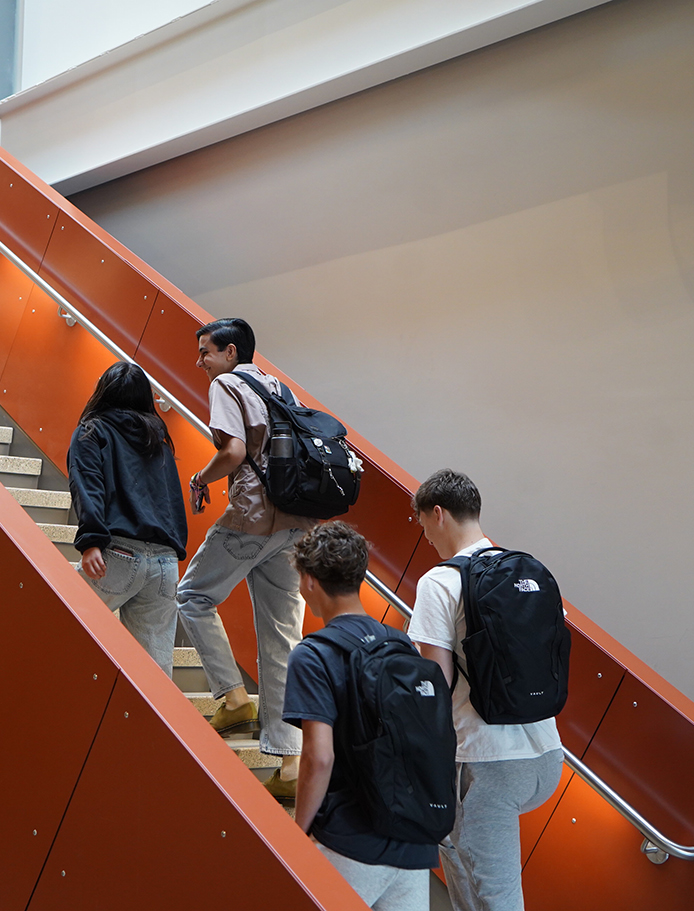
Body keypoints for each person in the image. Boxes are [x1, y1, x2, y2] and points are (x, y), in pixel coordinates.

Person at [406, 469, 563, 911]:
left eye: (424, 527)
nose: (428, 540)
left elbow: (435, 683)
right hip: (546, 754)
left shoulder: (440, 581)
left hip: (485, 762)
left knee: (495, 899)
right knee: (463, 867)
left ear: (438, 514)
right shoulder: (525, 571)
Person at [177, 318, 311, 799]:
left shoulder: (227, 384)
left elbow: (233, 452)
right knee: (282, 639)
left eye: (205, 352)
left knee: (192, 594)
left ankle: (234, 698)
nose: (201, 363)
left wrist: (199, 478)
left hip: (253, 517)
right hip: (295, 523)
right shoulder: (277, 386)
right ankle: (291, 765)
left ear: (230, 352)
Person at [283, 522, 439, 910]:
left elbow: (319, 757)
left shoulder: (313, 654)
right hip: (414, 844)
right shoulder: (401, 644)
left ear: (310, 581)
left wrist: (296, 831)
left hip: (350, 842)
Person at [68, 362, 188, 677]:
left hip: (117, 555)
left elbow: (88, 485)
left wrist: (91, 541)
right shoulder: (158, 440)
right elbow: (172, 500)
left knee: (57, 626)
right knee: (154, 675)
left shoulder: (92, 430)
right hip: (165, 565)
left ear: (102, 391)